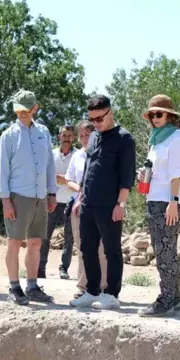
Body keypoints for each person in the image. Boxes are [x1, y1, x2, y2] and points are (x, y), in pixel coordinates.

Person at [70, 95, 136, 310]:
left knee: (112, 250)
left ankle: (111, 294)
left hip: (110, 205)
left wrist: (121, 204)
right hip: (88, 203)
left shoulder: (125, 139)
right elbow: (88, 169)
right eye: (92, 120)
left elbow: (127, 176)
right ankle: (91, 290)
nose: (96, 124)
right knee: (87, 248)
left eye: (99, 119)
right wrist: (81, 198)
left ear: (110, 112)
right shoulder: (93, 137)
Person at [0, 89, 57, 305]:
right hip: (18, 196)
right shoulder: (8, 135)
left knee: (35, 243)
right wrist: (5, 200)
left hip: (40, 196)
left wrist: (52, 193)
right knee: (14, 242)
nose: (22, 113)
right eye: (18, 110)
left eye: (26, 109)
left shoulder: (43, 132)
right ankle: (14, 287)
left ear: (35, 108)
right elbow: (3, 170)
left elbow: (49, 164)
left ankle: (32, 286)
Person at [136, 95, 180, 317]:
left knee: (164, 251)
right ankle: (175, 300)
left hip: (168, 201)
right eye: (152, 114)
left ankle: (165, 300)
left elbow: (177, 173)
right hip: (155, 199)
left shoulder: (177, 137)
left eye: (159, 113)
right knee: (165, 250)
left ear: (170, 115)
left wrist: (173, 202)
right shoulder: (156, 139)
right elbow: (158, 170)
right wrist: (143, 175)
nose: (155, 118)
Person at [65, 120, 108, 299]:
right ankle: (84, 286)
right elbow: (69, 180)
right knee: (83, 246)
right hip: (78, 206)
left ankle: (103, 286)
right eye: (81, 135)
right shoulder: (77, 156)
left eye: (87, 135)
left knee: (101, 247)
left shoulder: (103, 152)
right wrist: (81, 190)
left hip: (100, 205)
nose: (84, 139)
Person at [38, 125, 76, 280]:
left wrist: (62, 179)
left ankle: (64, 269)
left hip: (71, 201)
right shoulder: (51, 155)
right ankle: (41, 268)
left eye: (69, 135)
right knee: (45, 236)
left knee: (69, 238)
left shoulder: (78, 156)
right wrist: (66, 179)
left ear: (73, 137)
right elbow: (46, 175)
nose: (66, 138)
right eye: (64, 135)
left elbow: (77, 179)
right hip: (51, 200)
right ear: (59, 136)